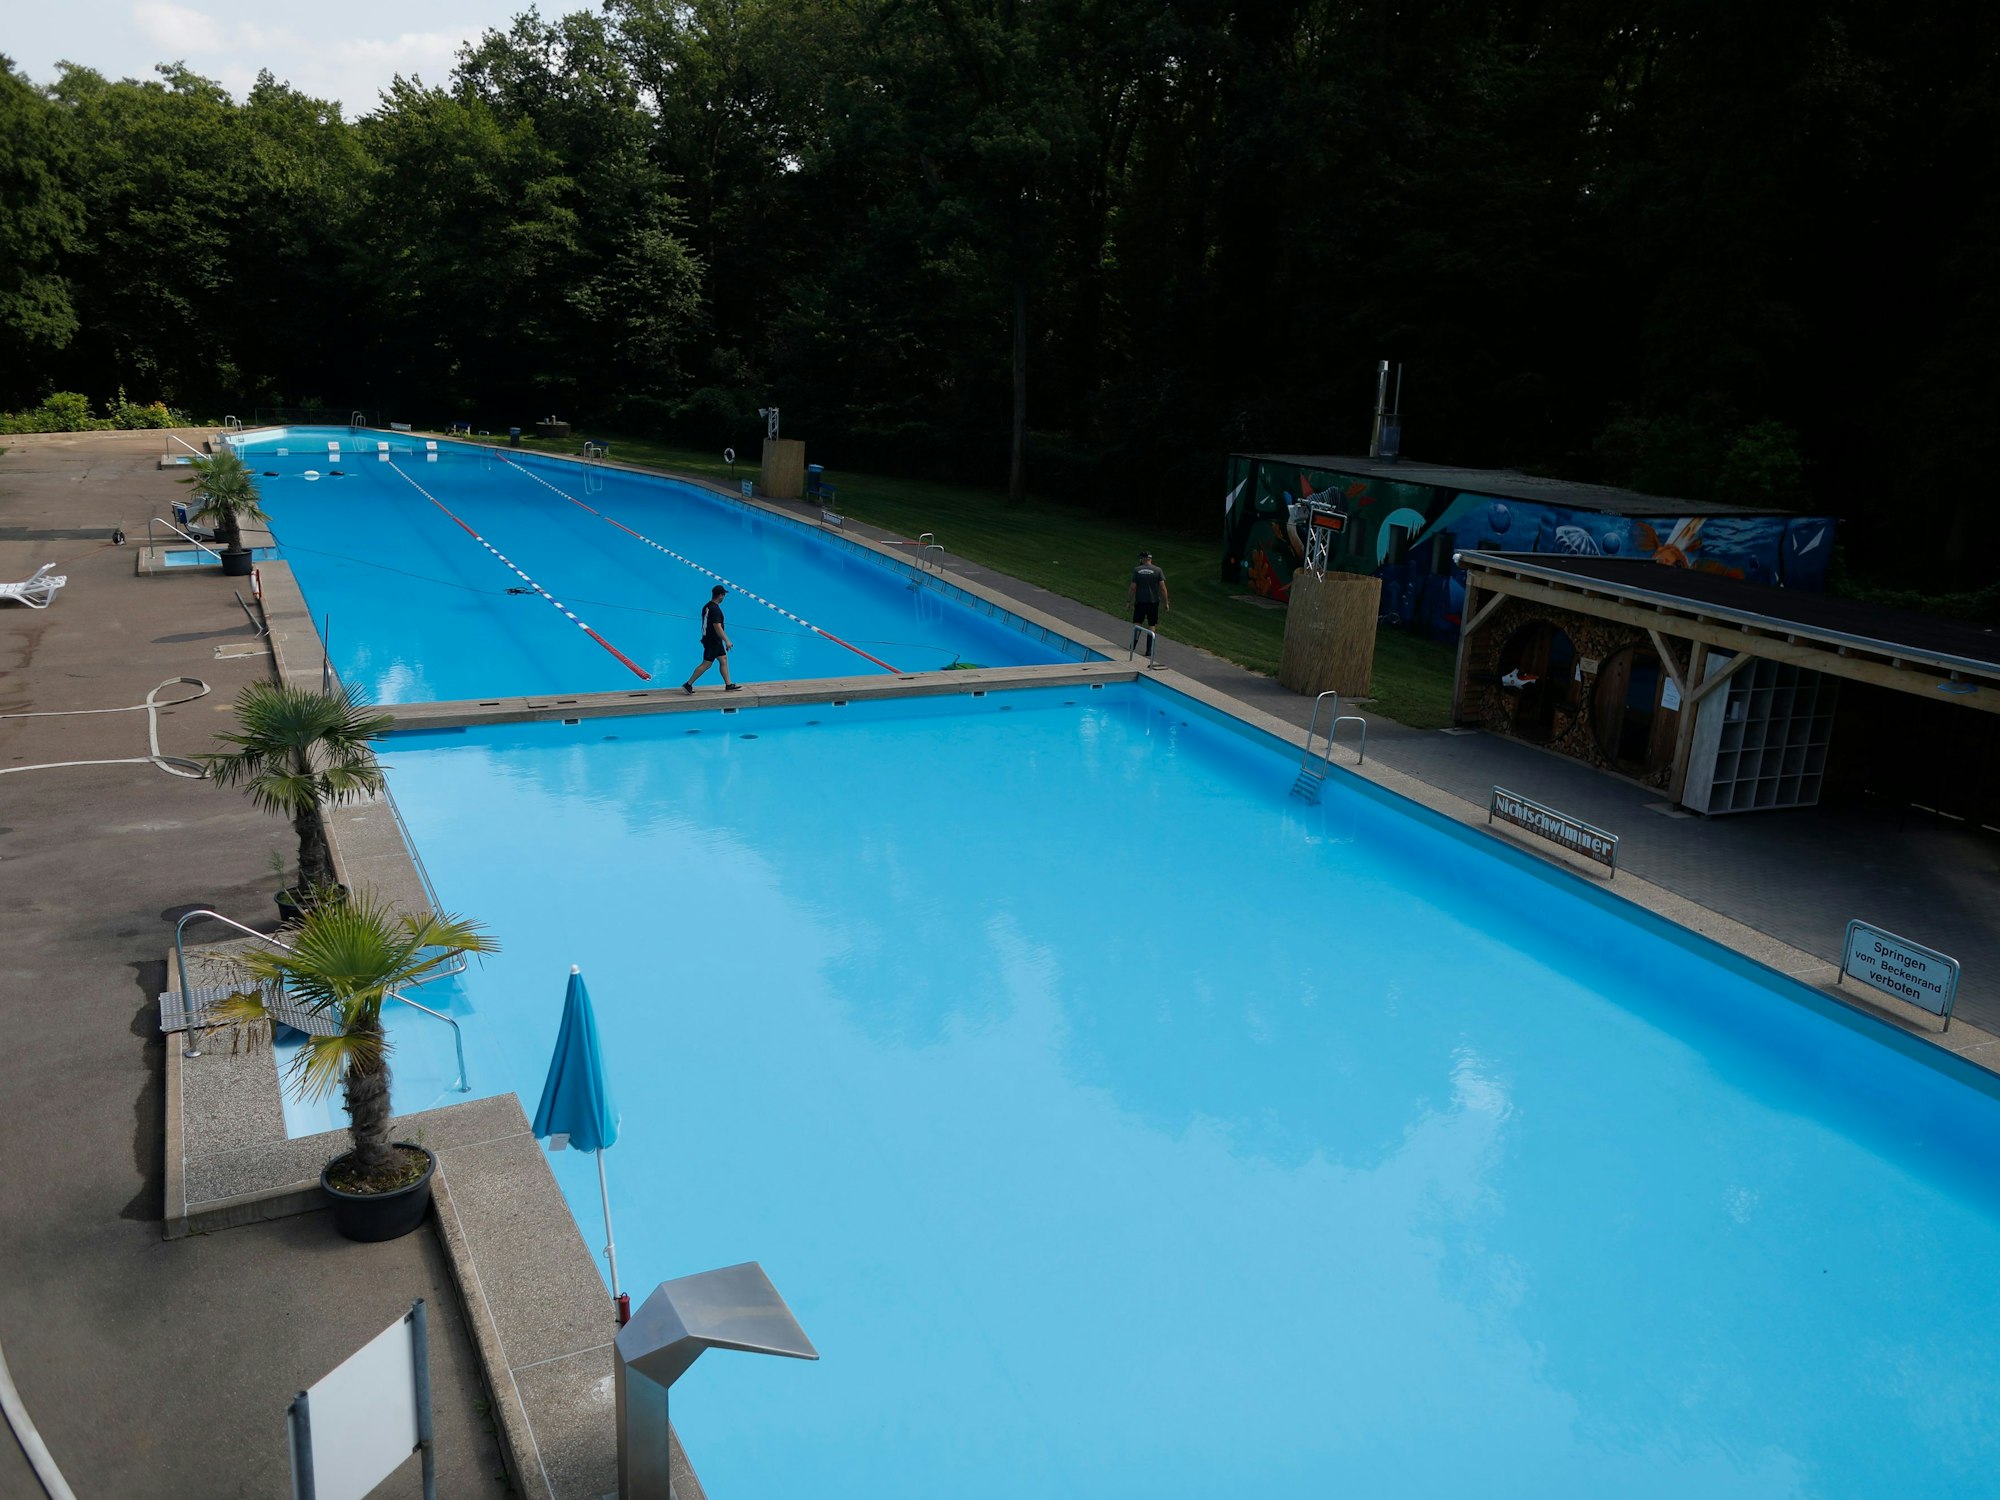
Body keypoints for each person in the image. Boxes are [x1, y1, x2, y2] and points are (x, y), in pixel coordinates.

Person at [682, 584, 741, 692]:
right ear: (720, 596)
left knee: (723, 659)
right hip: (712, 641)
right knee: (707, 664)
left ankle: (728, 685)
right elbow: (717, 627)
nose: (724, 597)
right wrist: (727, 641)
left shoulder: (707, 606)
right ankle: (688, 684)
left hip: (711, 639)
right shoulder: (715, 610)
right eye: (724, 595)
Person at [1129, 550, 1170, 627]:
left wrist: (1129, 601)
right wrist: (1166, 603)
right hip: (1153, 602)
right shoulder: (1158, 570)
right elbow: (1163, 588)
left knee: (1138, 622)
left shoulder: (1137, 570)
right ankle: (1150, 639)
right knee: (1152, 623)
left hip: (1140, 601)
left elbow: (1133, 587)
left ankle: (1135, 639)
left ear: (1143, 559)